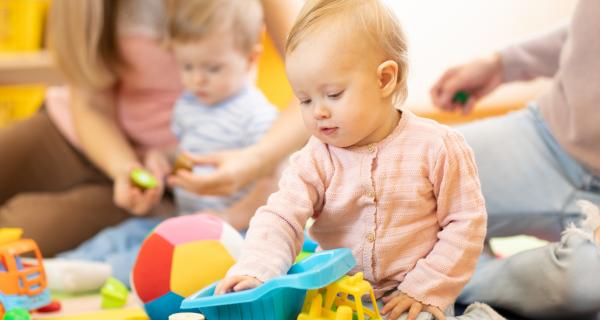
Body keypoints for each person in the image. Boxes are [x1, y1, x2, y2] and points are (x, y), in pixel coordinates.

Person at [215, 1, 490, 320]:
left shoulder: (439, 146)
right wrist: (258, 268)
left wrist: (425, 287)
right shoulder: (315, 158)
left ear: (384, 79)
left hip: (413, 299)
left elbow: (466, 223)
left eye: (333, 95)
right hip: (337, 297)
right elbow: (281, 215)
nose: (318, 111)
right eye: (304, 99)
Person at [0, 0, 305, 257]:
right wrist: (124, 168)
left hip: (165, 181)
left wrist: (254, 160)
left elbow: (315, 86)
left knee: (17, 234)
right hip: (79, 136)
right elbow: (91, 105)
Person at [430, 0, 600, 318]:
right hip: (547, 138)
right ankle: (468, 283)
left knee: (587, 282)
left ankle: (459, 284)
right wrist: (502, 64)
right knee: (407, 179)